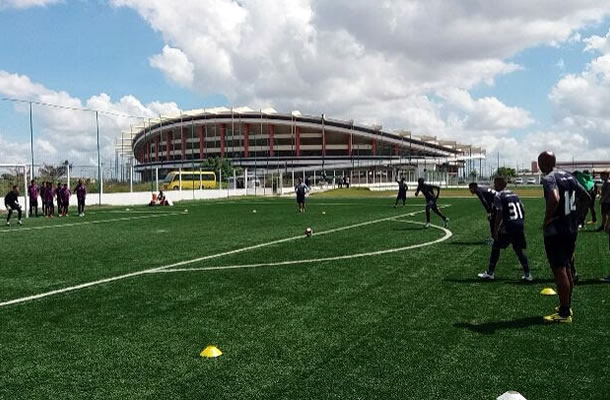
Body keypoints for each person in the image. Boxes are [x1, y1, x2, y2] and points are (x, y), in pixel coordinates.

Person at [538, 151, 590, 324]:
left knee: (560, 269)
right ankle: (566, 305)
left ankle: (564, 313)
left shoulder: (549, 178)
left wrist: (547, 220)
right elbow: (587, 197)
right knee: (567, 267)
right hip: (570, 229)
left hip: (556, 231)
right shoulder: (569, 177)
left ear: (542, 163)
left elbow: (554, 199)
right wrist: (578, 218)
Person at [477, 177, 532, 281]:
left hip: (508, 226)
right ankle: (528, 274)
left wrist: (495, 229)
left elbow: (499, 213)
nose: (494, 185)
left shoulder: (499, 196)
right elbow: (523, 209)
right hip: (518, 224)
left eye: (495, 183)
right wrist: (520, 222)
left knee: (496, 247)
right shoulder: (515, 194)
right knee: (519, 250)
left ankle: (490, 273)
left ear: (501, 184)